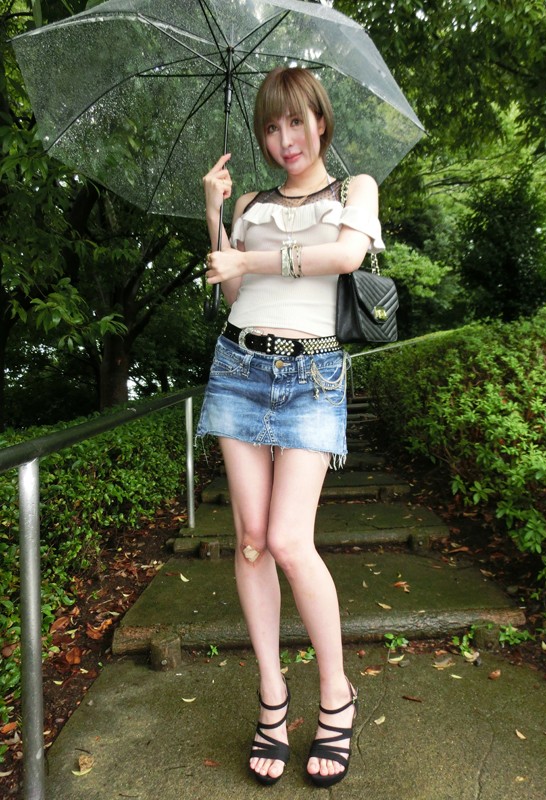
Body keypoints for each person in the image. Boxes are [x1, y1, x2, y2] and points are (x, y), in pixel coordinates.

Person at [197, 67, 384, 788]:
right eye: (271, 128)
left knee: (288, 541)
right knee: (250, 541)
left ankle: (336, 695)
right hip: (239, 366)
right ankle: (272, 699)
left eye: (296, 122)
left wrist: (248, 253)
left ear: (320, 121)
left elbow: (345, 256)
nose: (285, 139)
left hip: (311, 375)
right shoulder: (251, 202)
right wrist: (215, 214)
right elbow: (233, 291)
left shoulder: (353, 189)